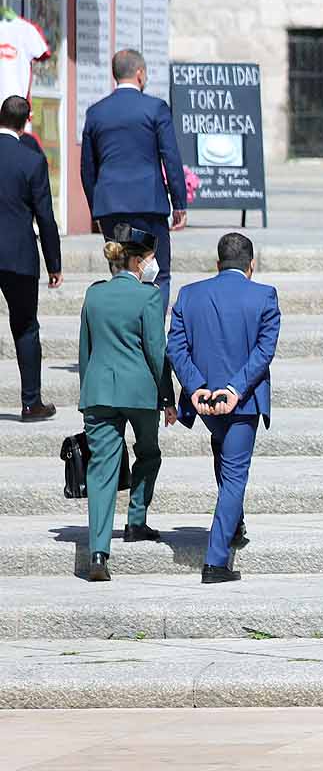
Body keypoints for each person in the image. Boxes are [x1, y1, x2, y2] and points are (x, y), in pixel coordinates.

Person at [165, 233, 281, 583]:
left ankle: (233, 523)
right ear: (251, 266)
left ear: (217, 264)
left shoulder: (189, 294)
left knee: (223, 452)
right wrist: (234, 388)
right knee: (234, 476)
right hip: (241, 400)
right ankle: (216, 562)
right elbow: (264, 351)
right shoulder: (265, 296)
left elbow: (176, 348)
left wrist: (197, 387)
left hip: (204, 401)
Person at [77, 222, 174, 583]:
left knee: (100, 471)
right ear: (137, 263)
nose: (154, 264)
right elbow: (156, 351)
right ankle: (136, 521)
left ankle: (99, 552)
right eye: (151, 257)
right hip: (140, 392)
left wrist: (87, 393)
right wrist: (167, 397)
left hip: (99, 392)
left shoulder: (94, 294)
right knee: (148, 452)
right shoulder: (149, 296)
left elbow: (85, 347)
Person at [80, 49, 186, 311]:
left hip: (112, 207)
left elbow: (87, 168)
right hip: (148, 205)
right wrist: (179, 202)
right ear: (140, 74)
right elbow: (170, 157)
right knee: (156, 274)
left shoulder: (96, 112)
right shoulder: (155, 108)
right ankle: (151, 341)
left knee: (122, 275)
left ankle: (124, 339)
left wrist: (98, 206)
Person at [0, 95, 61, 420]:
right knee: (25, 327)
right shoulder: (31, 160)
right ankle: (30, 402)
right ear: (26, 123)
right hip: (18, 257)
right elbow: (46, 217)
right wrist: (54, 264)